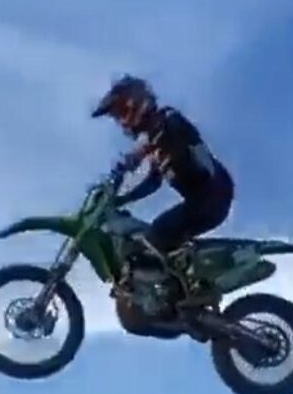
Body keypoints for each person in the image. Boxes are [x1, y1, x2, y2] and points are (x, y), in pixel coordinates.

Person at [91, 74, 235, 260]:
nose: (122, 122)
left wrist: (143, 153)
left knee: (156, 235)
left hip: (212, 198)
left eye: (122, 113)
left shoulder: (169, 120)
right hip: (204, 201)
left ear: (136, 102)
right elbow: (152, 183)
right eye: (117, 117)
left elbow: (179, 142)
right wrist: (117, 200)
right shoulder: (156, 139)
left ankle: (175, 276)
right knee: (144, 237)